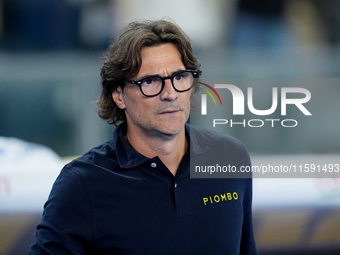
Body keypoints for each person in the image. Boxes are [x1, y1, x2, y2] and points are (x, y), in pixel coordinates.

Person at [29, 19, 258, 254]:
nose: (170, 94)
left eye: (179, 77)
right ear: (118, 95)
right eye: (150, 81)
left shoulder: (230, 157)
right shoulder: (82, 184)